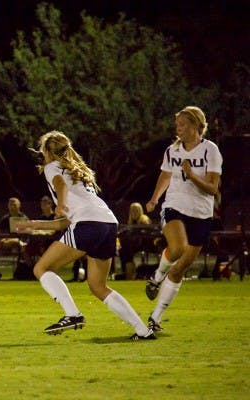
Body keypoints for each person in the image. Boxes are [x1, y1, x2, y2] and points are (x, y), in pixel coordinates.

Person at [16, 130, 155, 340]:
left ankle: (72, 314)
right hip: (108, 223)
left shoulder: (52, 167)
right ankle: (143, 331)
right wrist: (35, 224)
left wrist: (61, 203)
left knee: (41, 268)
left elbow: (61, 189)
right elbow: (68, 220)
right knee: (98, 286)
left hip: (89, 223)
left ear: (47, 152)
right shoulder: (77, 172)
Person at [145, 106, 222, 332]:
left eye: (183, 124)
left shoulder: (210, 150)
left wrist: (191, 175)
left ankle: (156, 317)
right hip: (175, 206)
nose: (178, 128)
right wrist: (154, 199)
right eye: (177, 124)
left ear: (196, 125)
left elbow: (212, 189)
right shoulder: (172, 150)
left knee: (180, 269)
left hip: (201, 213)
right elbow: (166, 175)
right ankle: (157, 276)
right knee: (177, 248)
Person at [117, 202, 153, 280]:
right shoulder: (131, 222)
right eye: (132, 210)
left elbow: (147, 236)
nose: (134, 212)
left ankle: (129, 276)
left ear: (140, 211)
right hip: (133, 247)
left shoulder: (144, 220)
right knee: (123, 251)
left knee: (125, 252)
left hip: (145, 245)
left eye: (136, 210)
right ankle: (129, 275)